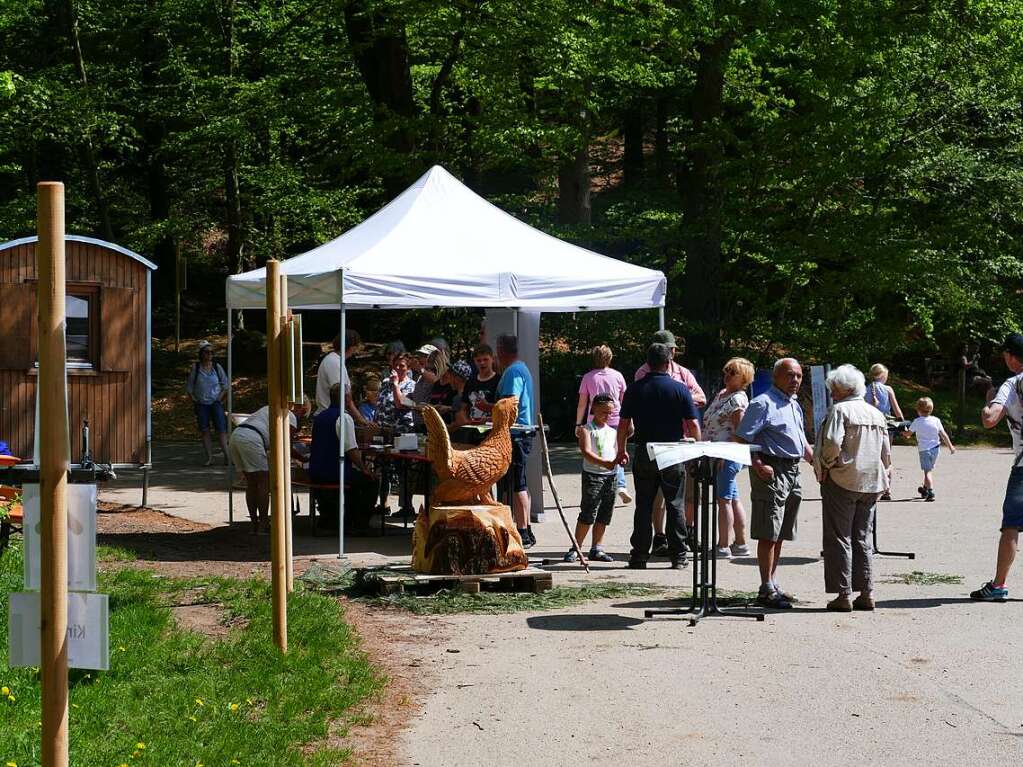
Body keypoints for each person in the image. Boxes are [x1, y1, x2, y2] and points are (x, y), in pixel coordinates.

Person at [734, 357, 813, 609]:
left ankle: (773, 582)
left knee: (781, 531)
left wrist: (818, 464)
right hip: (770, 469)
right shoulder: (762, 403)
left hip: (792, 471)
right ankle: (765, 588)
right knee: (768, 531)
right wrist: (757, 464)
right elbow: (741, 439)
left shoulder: (793, 404)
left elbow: (801, 442)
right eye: (790, 375)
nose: (796, 380)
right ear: (776, 376)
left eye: (799, 376)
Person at [616, 343, 701, 569]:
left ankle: (639, 555)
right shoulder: (680, 389)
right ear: (668, 363)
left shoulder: (634, 389)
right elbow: (693, 423)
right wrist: (697, 449)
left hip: (645, 449)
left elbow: (623, 424)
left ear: (648, 362)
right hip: (672, 450)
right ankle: (679, 556)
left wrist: (621, 449)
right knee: (675, 504)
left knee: (643, 503)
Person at [814, 365, 891, 612]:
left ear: (843, 389)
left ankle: (843, 594)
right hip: (871, 481)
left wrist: (825, 465)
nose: (832, 393)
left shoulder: (839, 410)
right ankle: (866, 592)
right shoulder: (876, 413)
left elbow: (832, 442)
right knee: (862, 537)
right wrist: (886, 471)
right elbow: (886, 451)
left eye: (833, 389)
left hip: (843, 478)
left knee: (839, 537)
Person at [634, 330, 706, 556]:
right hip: (662, 444)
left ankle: (685, 537)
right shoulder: (642, 373)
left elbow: (701, 398)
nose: (672, 352)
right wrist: (678, 397)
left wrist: (680, 396)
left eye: (673, 348)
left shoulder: (682, 374)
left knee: (684, 497)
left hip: (682, 443)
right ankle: (660, 538)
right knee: (658, 498)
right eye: (669, 348)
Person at [971, 333, 1023, 601]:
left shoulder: (1012, 384)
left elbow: (990, 420)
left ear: (1012, 357)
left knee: (1011, 525)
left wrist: (988, 400)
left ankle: (999, 585)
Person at [702, 357, 754, 559]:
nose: (727, 376)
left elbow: (740, 431)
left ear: (744, 378)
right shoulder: (723, 394)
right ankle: (740, 543)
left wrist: (728, 452)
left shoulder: (738, 399)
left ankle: (722, 545)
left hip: (727, 454)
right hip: (718, 452)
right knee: (731, 498)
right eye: (726, 371)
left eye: (732, 373)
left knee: (723, 500)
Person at [307, 384, 375, 533]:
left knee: (357, 479)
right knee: (370, 481)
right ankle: (360, 524)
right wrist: (365, 469)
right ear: (347, 398)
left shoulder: (319, 417)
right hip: (335, 472)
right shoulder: (344, 418)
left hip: (316, 471)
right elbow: (351, 449)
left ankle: (333, 517)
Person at [228, 405, 298, 534]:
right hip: (252, 439)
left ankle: (255, 524)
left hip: (237, 435)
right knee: (263, 482)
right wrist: (302, 458)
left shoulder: (269, 407)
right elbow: (286, 444)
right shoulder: (290, 415)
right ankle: (264, 523)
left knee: (252, 483)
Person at [565, 394, 618, 563]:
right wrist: (605, 463)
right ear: (593, 409)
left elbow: (616, 451)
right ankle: (576, 547)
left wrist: (618, 460)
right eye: (603, 412)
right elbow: (587, 453)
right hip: (593, 475)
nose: (607, 416)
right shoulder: (586, 430)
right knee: (588, 512)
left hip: (611, 476)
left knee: (605, 513)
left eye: (610, 413)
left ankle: (597, 548)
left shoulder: (612, 431)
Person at [576, 344, 631, 504]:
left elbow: (582, 403)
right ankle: (619, 485)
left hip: (596, 421)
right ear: (610, 358)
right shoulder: (618, 376)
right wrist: (630, 421)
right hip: (616, 419)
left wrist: (578, 424)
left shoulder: (588, 377)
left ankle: (601, 487)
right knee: (616, 451)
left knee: (596, 453)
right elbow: (624, 401)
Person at [495, 334, 536, 548]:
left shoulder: (513, 371)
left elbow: (510, 403)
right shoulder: (521, 367)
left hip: (517, 434)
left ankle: (523, 532)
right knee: (521, 483)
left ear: (501, 350)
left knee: (518, 484)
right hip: (522, 433)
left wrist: (489, 411)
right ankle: (526, 527)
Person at [185, 341, 229, 466]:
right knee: (204, 430)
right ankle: (210, 458)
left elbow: (225, 385)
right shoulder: (196, 368)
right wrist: (194, 399)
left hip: (215, 403)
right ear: (201, 354)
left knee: (221, 429)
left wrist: (219, 399)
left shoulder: (217, 367)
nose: (210, 354)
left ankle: (227, 456)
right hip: (201, 404)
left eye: (211, 352)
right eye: (207, 352)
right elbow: (189, 387)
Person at [864, 363, 904, 501]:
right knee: (886, 458)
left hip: (869, 428)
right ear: (882, 376)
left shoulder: (864, 390)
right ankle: (887, 490)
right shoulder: (888, 389)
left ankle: (871, 487)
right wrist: (902, 423)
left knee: (871, 457)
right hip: (885, 427)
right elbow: (897, 410)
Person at [314, 330, 369, 427]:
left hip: (332, 417)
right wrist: (361, 420)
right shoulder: (334, 362)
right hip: (330, 419)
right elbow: (343, 396)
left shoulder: (335, 360)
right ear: (351, 346)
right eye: (356, 346)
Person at [908, 397, 955, 501]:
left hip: (924, 450)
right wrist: (950, 447)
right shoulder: (936, 420)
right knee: (929, 469)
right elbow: (943, 435)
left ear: (918, 410)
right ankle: (924, 489)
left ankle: (930, 492)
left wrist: (903, 432)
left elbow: (908, 434)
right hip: (936, 449)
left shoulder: (917, 421)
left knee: (927, 472)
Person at [460, 344, 500, 424]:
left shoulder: (499, 380)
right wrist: (465, 420)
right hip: (472, 429)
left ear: (492, 359)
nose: (482, 363)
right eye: (478, 360)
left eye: (485, 359)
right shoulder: (470, 382)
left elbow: (503, 408)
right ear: (474, 361)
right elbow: (464, 407)